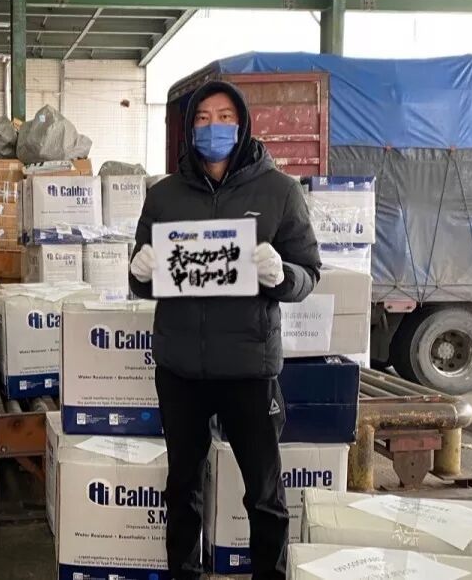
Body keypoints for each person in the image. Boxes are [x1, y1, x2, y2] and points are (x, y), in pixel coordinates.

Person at [128, 81, 320, 580]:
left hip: (249, 369)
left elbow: (308, 275)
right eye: (203, 118)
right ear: (190, 128)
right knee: (183, 487)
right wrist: (140, 271)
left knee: (264, 492)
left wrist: (283, 274)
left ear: (243, 124)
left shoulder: (279, 191)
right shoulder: (164, 196)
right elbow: (141, 280)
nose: (213, 127)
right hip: (181, 370)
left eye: (225, 117)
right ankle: (184, 573)